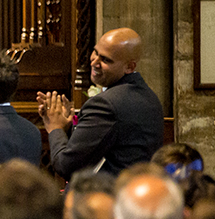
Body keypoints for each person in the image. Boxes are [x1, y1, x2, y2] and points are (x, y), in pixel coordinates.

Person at [37, 27, 164, 178]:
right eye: (95, 52)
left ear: (129, 67)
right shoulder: (150, 97)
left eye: (105, 60)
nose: (94, 62)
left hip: (108, 196)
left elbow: (66, 166)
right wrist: (69, 127)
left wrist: (55, 128)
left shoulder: (105, 104)